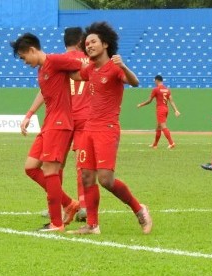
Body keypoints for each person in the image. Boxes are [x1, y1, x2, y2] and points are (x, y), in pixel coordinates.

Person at [67, 22, 152, 235]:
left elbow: (135, 82)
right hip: (89, 129)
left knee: (105, 179)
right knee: (86, 176)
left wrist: (123, 66)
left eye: (93, 41)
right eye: (86, 43)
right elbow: (75, 75)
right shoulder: (90, 69)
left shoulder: (114, 68)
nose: (89, 46)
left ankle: (139, 208)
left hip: (107, 128)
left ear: (105, 44)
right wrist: (55, 65)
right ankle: (92, 225)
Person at [10, 32, 84, 232]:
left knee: (50, 171)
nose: (24, 62)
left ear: (32, 50)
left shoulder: (55, 60)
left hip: (60, 122)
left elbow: (82, 64)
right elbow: (45, 92)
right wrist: (29, 114)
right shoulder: (42, 70)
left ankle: (56, 223)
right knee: (31, 167)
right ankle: (69, 203)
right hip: (49, 123)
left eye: (24, 57)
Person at [137, 75, 181, 149]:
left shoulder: (156, 89)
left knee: (163, 126)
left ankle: (171, 143)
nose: (154, 82)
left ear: (157, 80)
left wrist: (141, 104)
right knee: (158, 127)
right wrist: (176, 110)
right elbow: (171, 101)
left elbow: (149, 101)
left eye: (154, 81)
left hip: (160, 109)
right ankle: (155, 144)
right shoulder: (167, 89)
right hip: (166, 109)